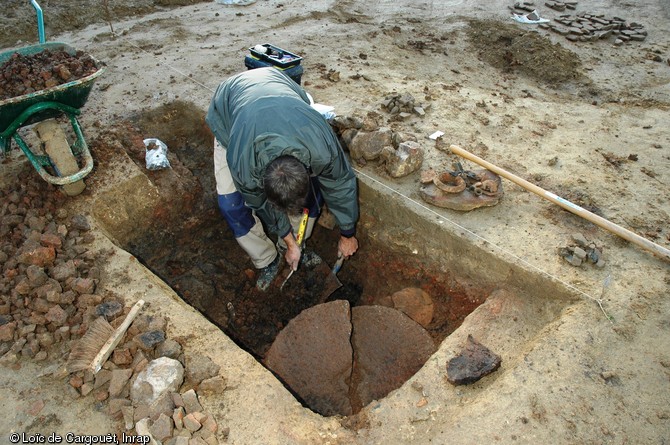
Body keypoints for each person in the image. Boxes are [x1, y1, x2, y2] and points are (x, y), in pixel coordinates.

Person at [206, 67, 359, 291]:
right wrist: (289, 240)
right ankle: (267, 259)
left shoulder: (321, 146)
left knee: (310, 203)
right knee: (232, 205)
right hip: (231, 114)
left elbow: (341, 184)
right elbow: (262, 204)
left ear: (307, 171)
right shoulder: (243, 165)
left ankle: (297, 247)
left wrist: (347, 233)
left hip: (281, 93)